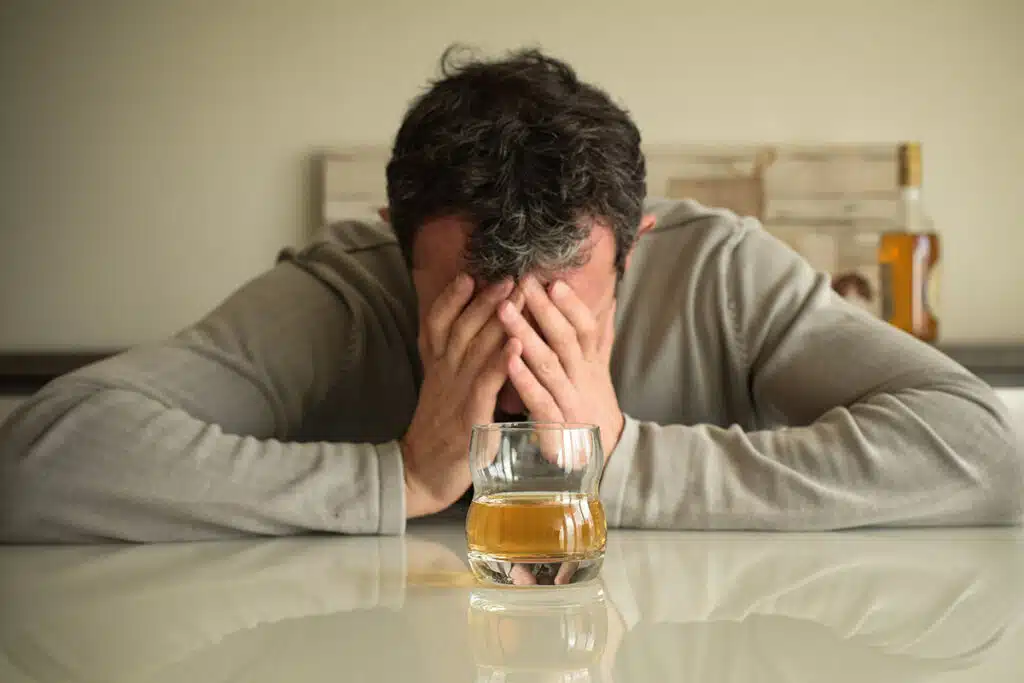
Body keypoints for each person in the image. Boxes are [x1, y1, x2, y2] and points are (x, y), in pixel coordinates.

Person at [0, 47, 1020, 543]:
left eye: (563, 297)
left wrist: (620, 454)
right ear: (401, 257)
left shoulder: (717, 269)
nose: (518, 343)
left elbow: (977, 453)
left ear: (634, 252)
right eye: (470, 298)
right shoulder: (343, 290)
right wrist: (398, 478)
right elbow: (40, 463)